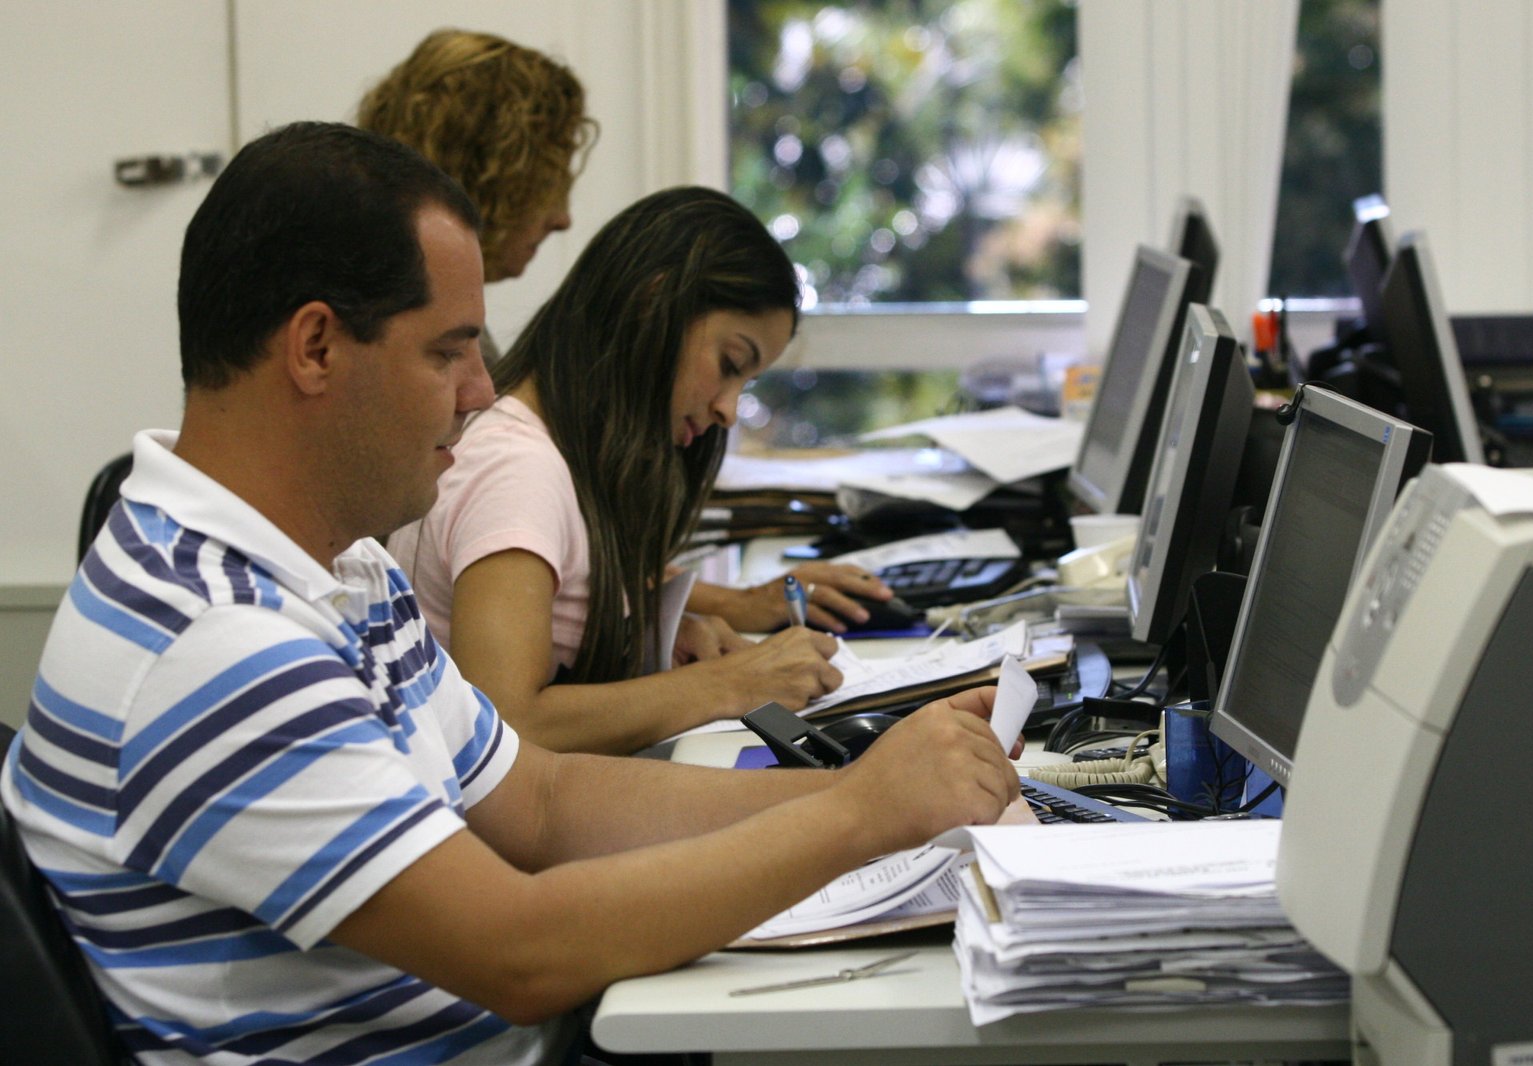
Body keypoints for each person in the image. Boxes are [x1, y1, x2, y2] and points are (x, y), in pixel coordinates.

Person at [0, 121, 1019, 1066]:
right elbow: (519, 953)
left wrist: (864, 791)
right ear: (315, 348)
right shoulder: (216, 641)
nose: (482, 391)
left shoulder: (332, 567)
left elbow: (538, 799)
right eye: (446, 351)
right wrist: (858, 820)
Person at [386, 187, 897, 755]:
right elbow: (507, 726)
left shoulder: (559, 452)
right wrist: (728, 684)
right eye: (730, 365)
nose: (729, 409)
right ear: (654, 305)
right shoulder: (517, 470)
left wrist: (654, 643)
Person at [358, 27, 598, 362]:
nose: (562, 219)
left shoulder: (428, 320)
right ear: (484, 169)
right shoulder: (386, 335)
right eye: (545, 179)